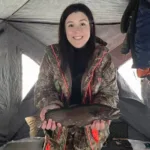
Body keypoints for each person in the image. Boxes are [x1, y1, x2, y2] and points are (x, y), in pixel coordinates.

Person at [34, 3, 119, 150]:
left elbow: (110, 93)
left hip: (91, 138)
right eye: (71, 25)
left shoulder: (104, 58)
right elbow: (43, 88)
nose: (77, 30)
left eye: (82, 24)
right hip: (57, 135)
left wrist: (100, 111)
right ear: (64, 29)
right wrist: (50, 104)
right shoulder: (51, 55)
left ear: (91, 27)